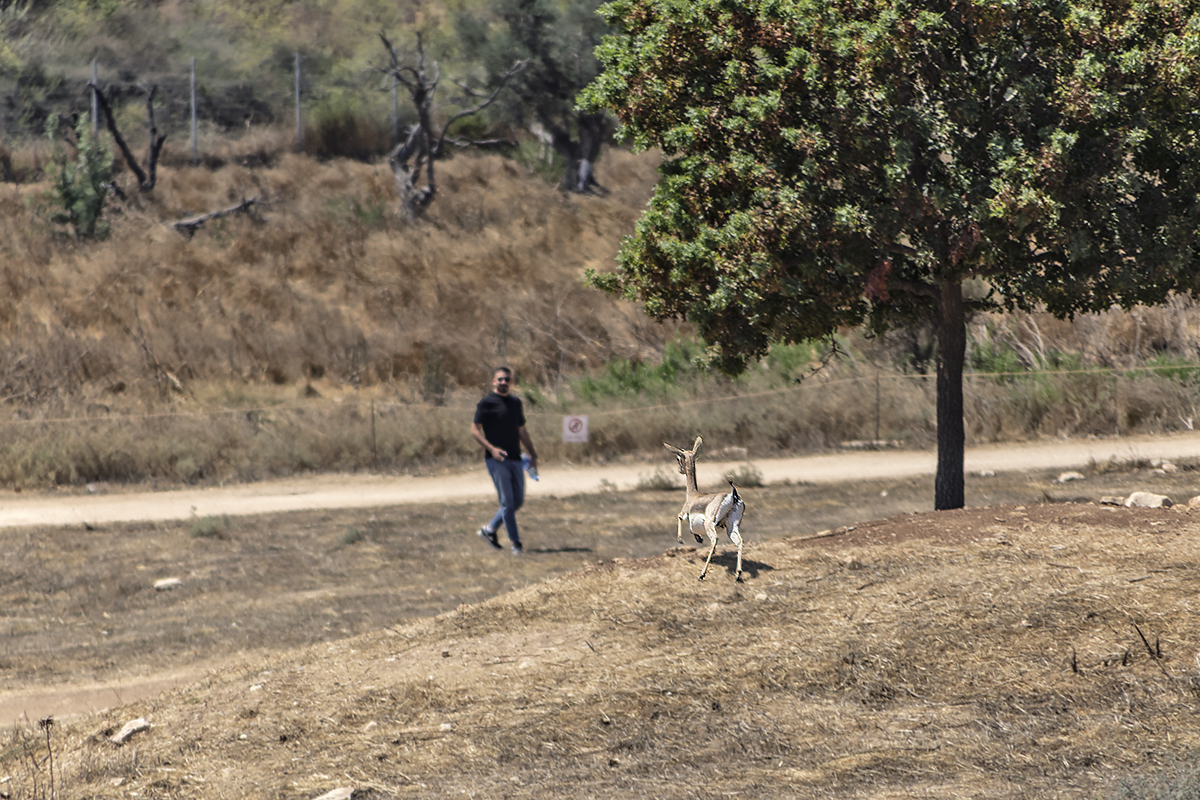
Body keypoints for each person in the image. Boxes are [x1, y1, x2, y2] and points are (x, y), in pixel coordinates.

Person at [470, 366, 538, 554]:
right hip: (497, 460)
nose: (503, 382)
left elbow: (522, 431)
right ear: (493, 381)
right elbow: (474, 430)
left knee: (518, 501)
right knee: (507, 503)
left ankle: (489, 529)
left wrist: (533, 454)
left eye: (506, 379)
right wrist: (492, 449)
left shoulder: (516, 403)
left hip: (516, 458)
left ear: (511, 382)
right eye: (500, 379)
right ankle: (516, 543)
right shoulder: (486, 403)